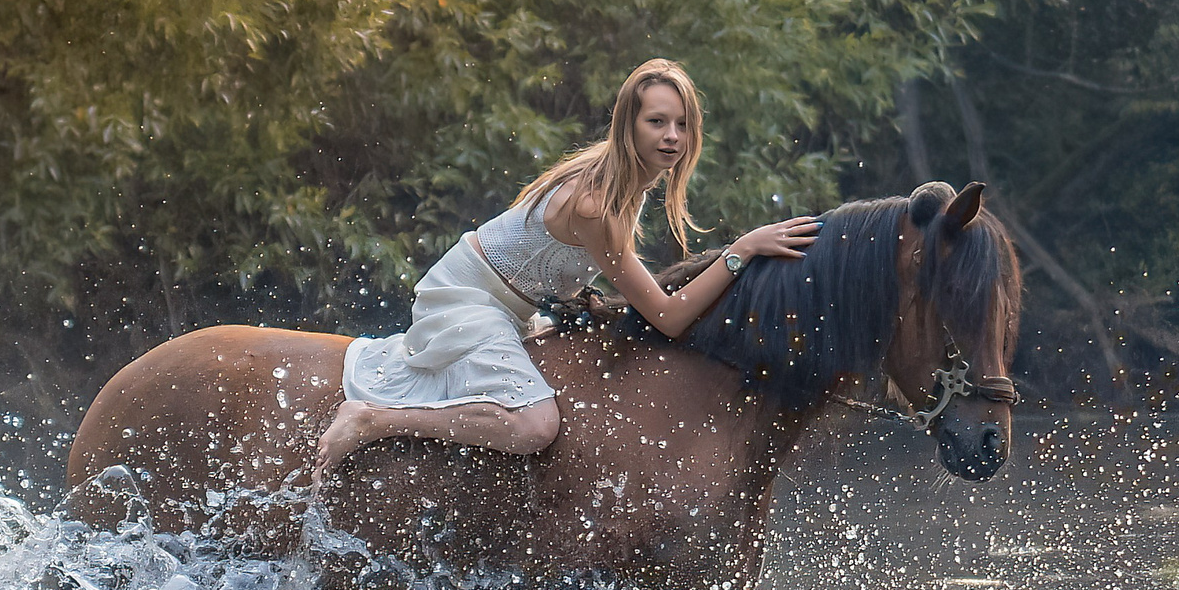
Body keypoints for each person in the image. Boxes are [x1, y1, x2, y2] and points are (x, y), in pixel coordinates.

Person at [313, 58, 820, 479]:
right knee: (535, 426)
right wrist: (742, 251)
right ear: (628, 126)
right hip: (468, 299)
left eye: (683, 124)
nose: (672, 137)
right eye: (657, 122)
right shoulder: (596, 205)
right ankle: (373, 418)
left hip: (514, 306)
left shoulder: (631, 181)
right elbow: (667, 316)